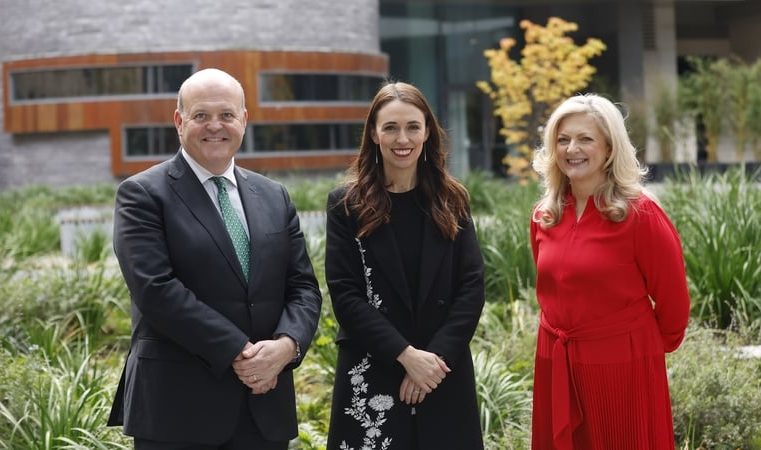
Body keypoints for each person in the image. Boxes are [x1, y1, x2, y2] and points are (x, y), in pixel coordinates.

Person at [107, 68, 322, 449]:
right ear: (179, 121)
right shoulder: (141, 194)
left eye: (226, 115)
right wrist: (242, 353)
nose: (215, 126)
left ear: (243, 120)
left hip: (264, 408)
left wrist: (287, 346)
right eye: (201, 115)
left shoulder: (274, 195)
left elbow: (302, 285)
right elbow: (156, 290)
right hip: (177, 411)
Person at [324, 81, 486, 450]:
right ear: (373, 133)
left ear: (427, 131)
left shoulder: (452, 199)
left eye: (413, 126)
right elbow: (346, 295)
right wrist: (406, 356)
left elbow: (472, 286)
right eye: (391, 127)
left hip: (442, 371)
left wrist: (432, 362)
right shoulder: (346, 205)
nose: (403, 138)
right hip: (374, 366)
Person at [528, 93, 691, 449]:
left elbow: (674, 302)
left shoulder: (641, 214)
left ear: (609, 148)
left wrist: (635, 349)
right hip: (556, 360)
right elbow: (553, 291)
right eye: (563, 139)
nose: (573, 148)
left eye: (586, 138)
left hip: (622, 366)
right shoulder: (545, 214)